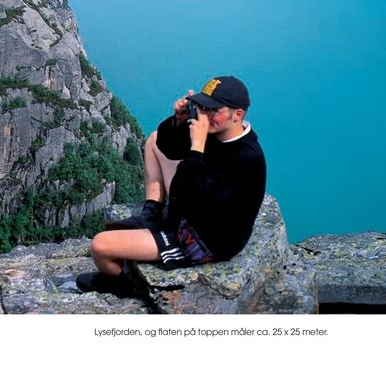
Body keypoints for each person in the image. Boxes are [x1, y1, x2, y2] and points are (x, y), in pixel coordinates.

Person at [76, 76, 266, 298]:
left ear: (238, 114)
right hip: (191, 210)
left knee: (100, 246)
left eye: (213, 110)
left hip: (204, 239)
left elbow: (189, 197)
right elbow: (169, 148)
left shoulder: (246, 158)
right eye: (202, 106)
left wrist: (197, 147)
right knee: (154, 140)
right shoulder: (218, 133)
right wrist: (178, 121)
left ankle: (123, 286)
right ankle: (152, 210)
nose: (204, 115)